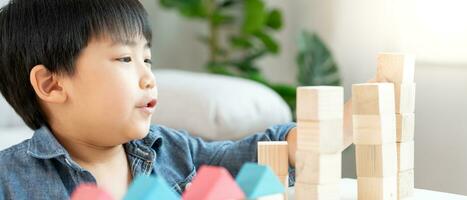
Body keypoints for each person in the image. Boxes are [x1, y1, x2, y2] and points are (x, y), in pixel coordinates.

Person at [0, 0, 354, 199]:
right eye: (125, 59)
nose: (148, 77)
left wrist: (341, 128)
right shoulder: (9, 179)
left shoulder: (173, 151)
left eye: (147, 59)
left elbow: (256, 156)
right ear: (51, 84)